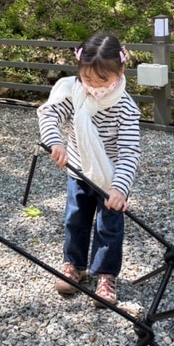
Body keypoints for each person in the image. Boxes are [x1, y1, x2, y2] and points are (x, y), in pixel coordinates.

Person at [37, 32, 141, 307]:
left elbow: (130, 152)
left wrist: (120, 187)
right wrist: (55, 142)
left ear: (120, 70)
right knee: (75, 219)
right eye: (87, 79)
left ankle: (105, 274)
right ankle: (75, 265)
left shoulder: (126, 107)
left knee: (109, 228)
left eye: (102, 80)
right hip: (78, 170)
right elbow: (50, 114)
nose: (94, 86)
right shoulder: (74, 91)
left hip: (110, 179)